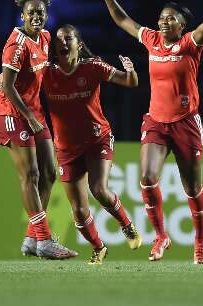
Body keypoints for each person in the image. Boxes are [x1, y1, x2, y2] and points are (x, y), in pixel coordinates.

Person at [94, 0, 203, 264]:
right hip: (156, 121)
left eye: (170, 19)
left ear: (182, 25)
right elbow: (122, 19)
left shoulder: (191, 44)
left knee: (192, 188)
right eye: (161, 18)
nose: (163, 22)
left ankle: (201, 242)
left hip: (186, 123)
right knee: (147, 178)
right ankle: (161, 236)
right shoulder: (151, 40)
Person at [0, 0, 77, 259]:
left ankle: (31, 239)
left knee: (50, 173)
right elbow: (7, 86)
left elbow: (43, 74)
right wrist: (28, 115)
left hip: (34, 113)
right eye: (31, 13)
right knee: (31, 174)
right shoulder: (16, 45)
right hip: (10, 113)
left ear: (46, 14)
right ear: (22, 15)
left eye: (40, 12)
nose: (36, 16)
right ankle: (45, 239)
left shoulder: (46, 38)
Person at [43, 24, 142, 264]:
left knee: (99, 189)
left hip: (97, 139)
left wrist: (130, 71)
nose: (63, 43)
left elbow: (130, 82)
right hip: (66, 148)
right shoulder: (46, 74)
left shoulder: (93, 67)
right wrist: (4, 76)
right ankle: (98, 247)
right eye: (58, 40)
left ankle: (127, 226)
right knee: (78, 210)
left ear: (79, 43)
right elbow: (19, 81)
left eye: (68, 39)